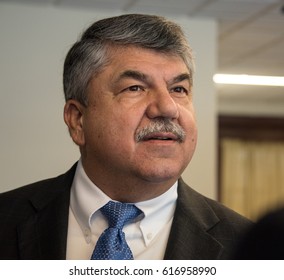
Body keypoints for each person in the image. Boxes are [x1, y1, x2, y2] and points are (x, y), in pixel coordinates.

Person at [0, 14, 252, 260]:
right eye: (135, 88)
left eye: (178, 89)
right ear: (77, 119)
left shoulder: (250, 248)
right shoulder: (7, 218)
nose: (167, 108)